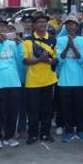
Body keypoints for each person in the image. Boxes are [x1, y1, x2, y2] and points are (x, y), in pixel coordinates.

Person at [22, 12, 58, 144]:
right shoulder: (27, 41)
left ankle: (45, 133)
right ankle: (32, 134)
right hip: (33, 81)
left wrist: (48, 60)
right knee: (33, 110)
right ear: (34, 25)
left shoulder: (53, 39)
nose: (42, 24)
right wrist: (39, 60)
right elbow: (25, 60)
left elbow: (55, 59)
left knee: (47, 110)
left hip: (49, 80)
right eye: (39, 22)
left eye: (44, 22)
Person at [0, 21, 23, 148]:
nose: (3, 28)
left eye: (5, 26)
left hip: (14, 82)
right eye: (0, 26)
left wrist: (19, 45)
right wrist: (0, 43)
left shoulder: (12, 43)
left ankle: (9, 137)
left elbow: (20, 59)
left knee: (13, 111)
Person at [56, 15, 83, 141]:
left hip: (79, 80)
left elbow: (82, 60)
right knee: (66, 108)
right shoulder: (60, 40)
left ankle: (80, 130)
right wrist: (67, 46)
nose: (70, 26)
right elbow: (60, 59)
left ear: (77, 26)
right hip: (64, 80)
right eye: (68, 24)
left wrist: (73, 47)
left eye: (73, 24)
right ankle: (69, 130)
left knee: (80, 107)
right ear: (65, 26)